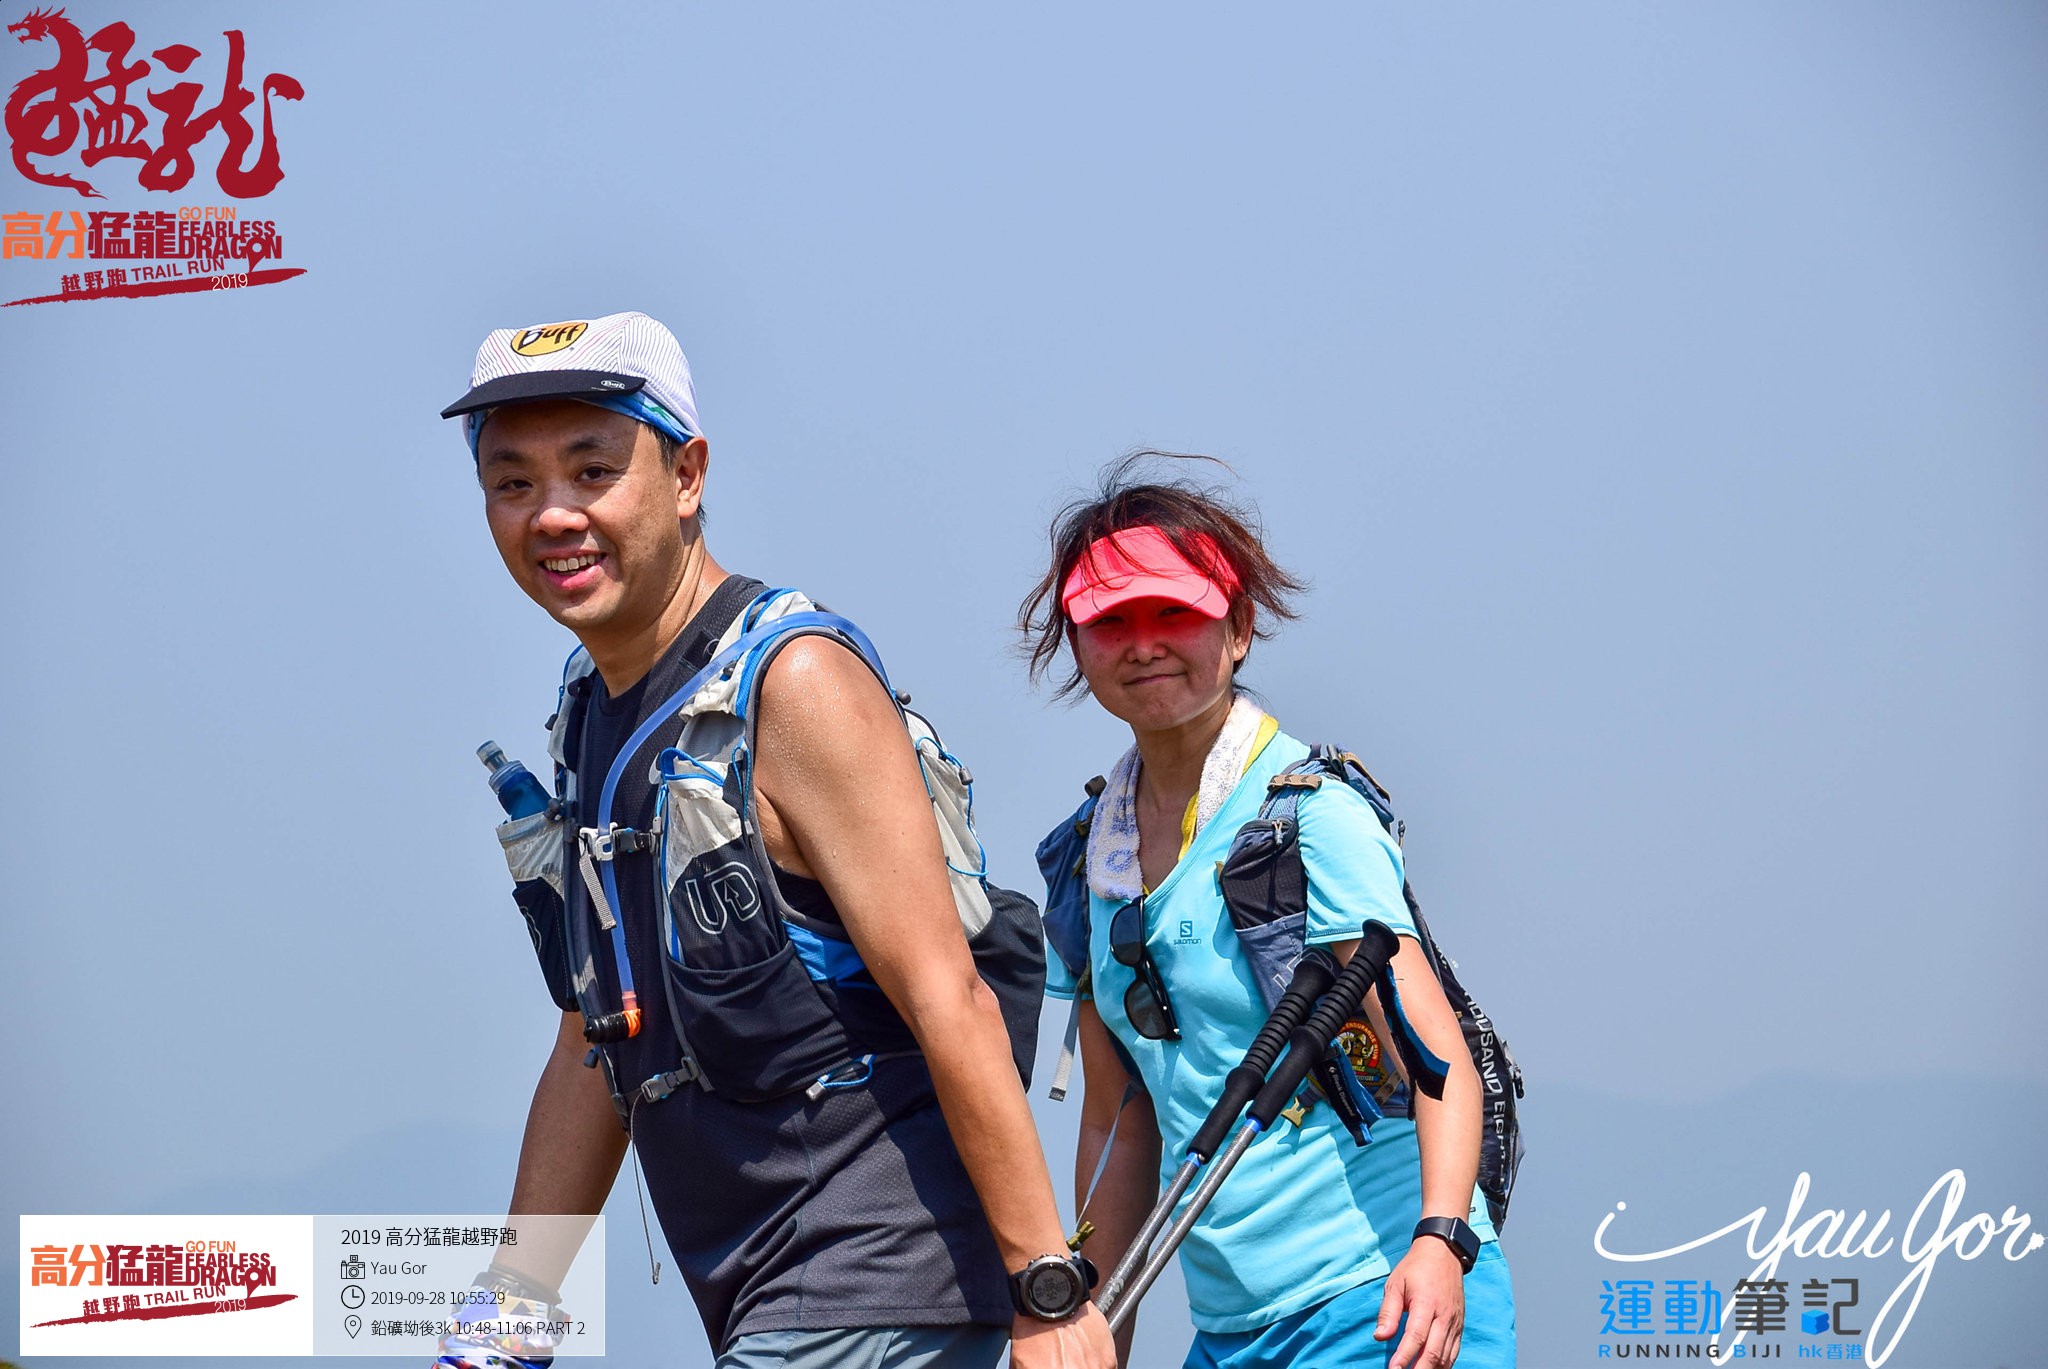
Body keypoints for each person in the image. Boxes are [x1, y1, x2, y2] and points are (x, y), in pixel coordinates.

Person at [434, 311, 1116, 1369]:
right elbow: (595, 1035)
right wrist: (510, 1310)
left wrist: (1048, 1293)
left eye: (592, 470)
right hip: (770, 1302)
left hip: (872, 1283)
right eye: (512, 482)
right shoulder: (592, 707)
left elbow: (950, 995)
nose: (554, 513)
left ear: (686, 474)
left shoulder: (790, 683)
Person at [1018, 456, 1517, 1369]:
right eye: (1111, 620)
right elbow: (1117, 1121)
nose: (1143, 643)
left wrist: (1443, 1241)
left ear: (1239, 626)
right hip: (1232, 1332)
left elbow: (1434, 1053)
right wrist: (1097, 1327)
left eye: (1174, 612)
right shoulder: (1091, 858)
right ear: (1078, 644)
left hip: (1381, 1299)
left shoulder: (1311, 818)